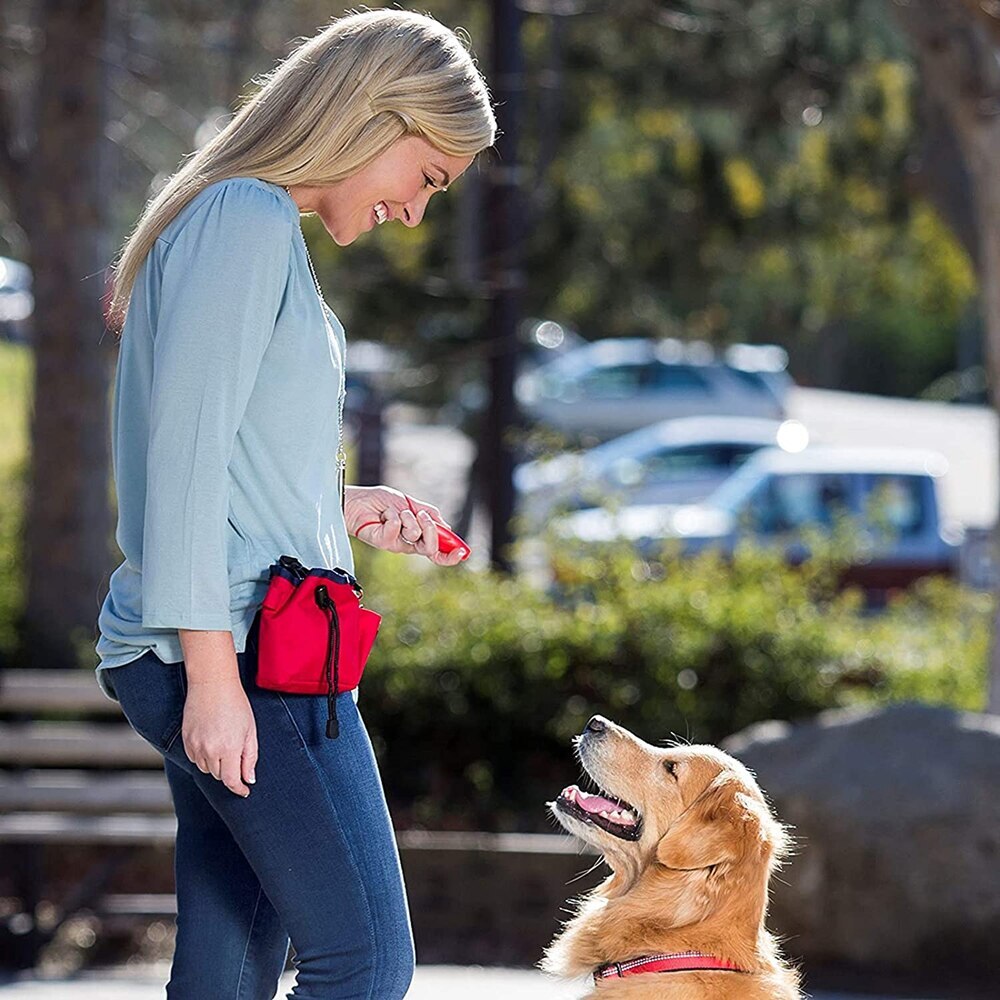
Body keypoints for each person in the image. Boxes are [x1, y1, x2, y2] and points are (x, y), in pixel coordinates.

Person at [95, 9, 496, 999]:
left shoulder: (238, 222)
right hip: (249, 658)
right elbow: (181, 461)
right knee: (363, 965)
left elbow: (221, 452)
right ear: (375, 116)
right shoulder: (246, 221)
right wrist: (213, 680)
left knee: (229, 971)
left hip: (237, 646)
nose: (416, 210)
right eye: (428, 177)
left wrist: (336, 505)